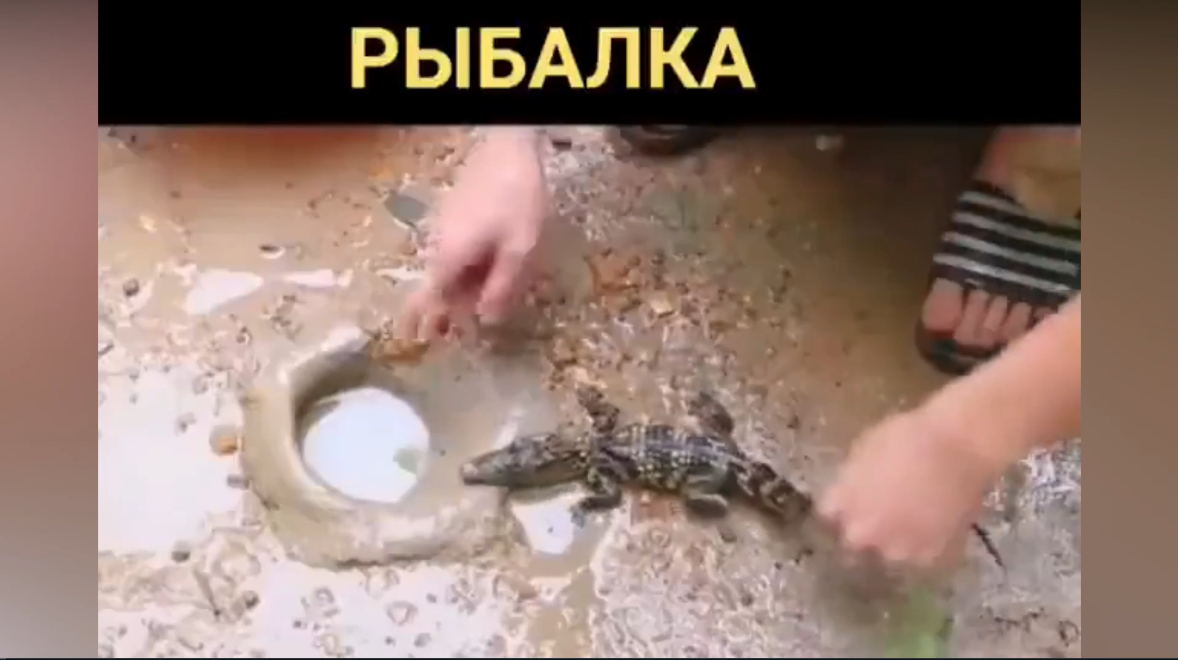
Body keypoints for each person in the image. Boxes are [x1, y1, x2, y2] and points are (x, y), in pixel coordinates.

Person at [398, 125, 1081, 571]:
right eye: (526, 460)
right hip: (708, 454)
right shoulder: (597, 447)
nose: (519, 463)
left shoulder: (600, 465)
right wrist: (506, 143)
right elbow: (605, 425)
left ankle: (1056, 161)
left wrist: (967, 437)